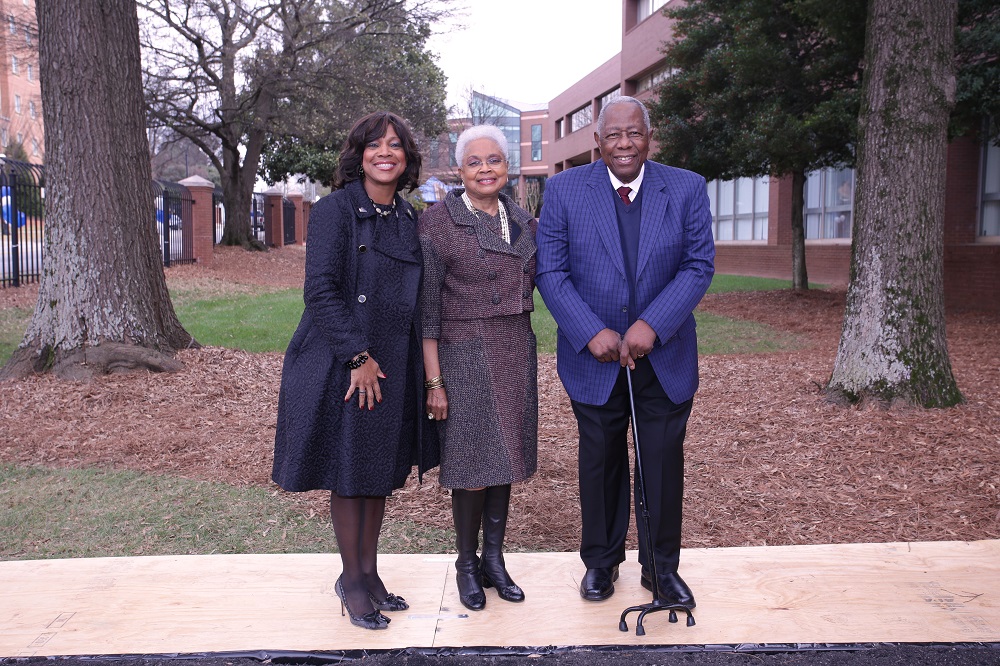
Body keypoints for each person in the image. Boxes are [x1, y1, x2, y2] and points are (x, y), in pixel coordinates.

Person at [535, 96, 714, 607]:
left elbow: (698, 265)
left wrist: (652, 325)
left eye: (634, 134)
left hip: (665, 355)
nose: (624, 144)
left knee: (660, 463)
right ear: (598, 140)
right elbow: (551, 270)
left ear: (648, 137)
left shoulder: (684, 187)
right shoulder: (566, 190)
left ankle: (661, 570)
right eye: (614, 135)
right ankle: (601, 563)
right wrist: (590, 331)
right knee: (601, 462)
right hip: (594, 359)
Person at [272, 111, 438, 630]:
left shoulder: (411, 218)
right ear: (359, 155)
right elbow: (319, 290)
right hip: (343, 362)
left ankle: (369, 572)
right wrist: (357, 358)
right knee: (349, 470)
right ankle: (351, 580)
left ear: (407, 158)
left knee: (377, 472)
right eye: (374, 145)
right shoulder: (335, 210)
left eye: (395, 146)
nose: (385, 153)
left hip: (395, 363)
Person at [418, 125, 538, 611]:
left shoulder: (523, 220)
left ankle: (494, 560)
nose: (485, 169)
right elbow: (426, 311)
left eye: (494, 160)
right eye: (474, 162)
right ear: (460, 170)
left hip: (514, 349)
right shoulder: (439, 223)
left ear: (507, 168)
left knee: (504, 457)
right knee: (470, 464)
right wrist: (434, 381)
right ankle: (466, 564)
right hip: (462, 353)